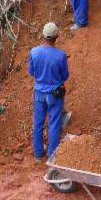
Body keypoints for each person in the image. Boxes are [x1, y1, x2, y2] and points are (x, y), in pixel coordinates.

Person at [28, 22, 70, 160]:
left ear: (43, 35)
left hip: (39, 93)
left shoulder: (34, 52)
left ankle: (38, 153)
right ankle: (52, 155)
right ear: (56, 37)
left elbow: (31, 72)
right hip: (54, 94)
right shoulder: (60, 55)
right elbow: (65, 76)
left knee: (38, 122)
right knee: (54, 123)